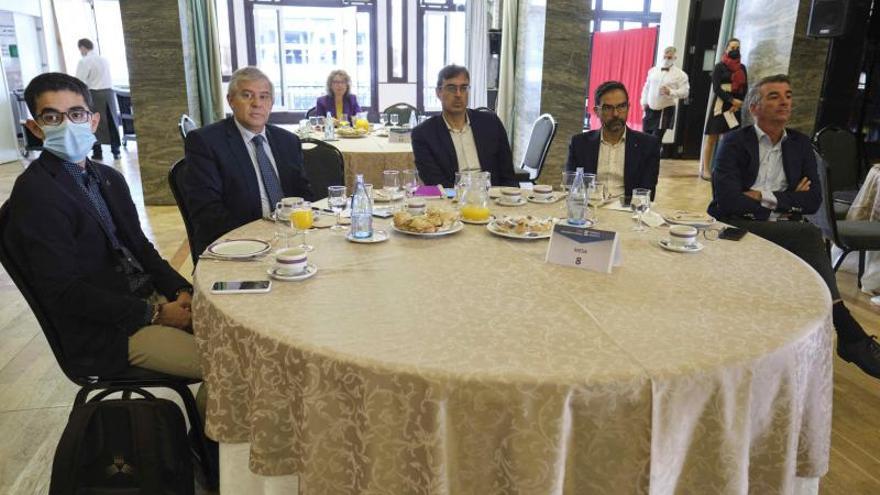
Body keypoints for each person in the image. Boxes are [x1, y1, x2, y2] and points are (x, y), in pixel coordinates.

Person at [5, 72, 205, 406]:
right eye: (52, 116)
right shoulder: (36, 194)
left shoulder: (106, 177)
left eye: (76, 114)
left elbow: (141, 248)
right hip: (109, 330)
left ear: (93, 120)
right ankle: (205, 448)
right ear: (36, 128)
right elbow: (64, 291)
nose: (67, 124)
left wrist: (180, 291)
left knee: (241, 334)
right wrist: (155, 314)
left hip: (148, 298)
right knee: (231, 363)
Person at [708, 74, 880, 379]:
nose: (784, 101)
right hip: (738, 224)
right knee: (808, 234)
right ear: (755, 107)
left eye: (788, 95)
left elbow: (812, 201)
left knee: (804, 233)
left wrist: (763, 196)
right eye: (774, 96)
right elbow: (727, 201)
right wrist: (789, 199)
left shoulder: (800, 144)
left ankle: (824, 338)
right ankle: (848, 331)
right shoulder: (734, 142)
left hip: (783, 223)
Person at [183, 66, 313, 258]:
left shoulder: (287, 141)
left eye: (264, 96)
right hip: (236, 245)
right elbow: (207, 212)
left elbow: (303, 195)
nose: (257, 104)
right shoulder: (206, 142)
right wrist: (260, 236)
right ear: (231, 101)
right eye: (247, 95)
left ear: (271, 103)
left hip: (289, 241)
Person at [412, 64, 517, 187]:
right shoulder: (424, 134)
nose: (458, 94)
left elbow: (508, 175)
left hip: (492, 198)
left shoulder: (491, 123)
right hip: (453, 200)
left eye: (463, 88)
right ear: (438, 92)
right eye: (451, 88)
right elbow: (436, 183)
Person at [566, 80, 660, 199]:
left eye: (621, 106)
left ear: (628, 107)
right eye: (608, 108)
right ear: (597, 111)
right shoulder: (579, 143)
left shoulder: (648, 145)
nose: (616, 114)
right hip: (590, 208)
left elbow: (646, 193)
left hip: (627, 211)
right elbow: (572, 186)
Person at [701, 38, 747, 180]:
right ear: (726, 49)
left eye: (737, 47)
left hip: (735, 106)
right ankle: (706, 169)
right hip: (721, 104)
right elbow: (716, 88)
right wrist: (731, 100)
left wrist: (738, 103)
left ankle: (722, 168)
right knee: (712, 138)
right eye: (732, 47)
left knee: (729, 139)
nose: (735, 50)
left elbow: (745, 87)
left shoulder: (742, 67)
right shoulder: (719, 66)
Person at [74, 38, 121, 161]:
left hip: (94, 94)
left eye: (80, 49)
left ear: (83, 48)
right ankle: (116, 151)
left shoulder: (85, 61)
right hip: (109, 93)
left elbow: (79, 81)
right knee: (112, 122)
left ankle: (98, 152)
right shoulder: (103, 60)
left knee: (94, 122)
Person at [640, 47, 690, 142]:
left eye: (669, 57)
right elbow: (646, 87)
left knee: (656, 140)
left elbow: (685, 92)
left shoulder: (680, 75)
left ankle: (654, 156)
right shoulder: (653, 70)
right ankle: (644, 157)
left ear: (675, 58)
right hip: (649, 109)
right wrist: (644, 102)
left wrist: (671, 92)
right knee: (645, 138)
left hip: (665, 110)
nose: (667, 59)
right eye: (665, 56)